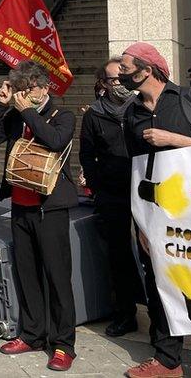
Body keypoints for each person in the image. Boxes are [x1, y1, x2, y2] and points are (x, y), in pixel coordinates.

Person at [118, 43, 191, 378]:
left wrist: (173, 139)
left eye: (125, 67)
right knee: (158, 286)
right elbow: (135, 171)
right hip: (155, 216)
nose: (120, 73)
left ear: (146, 70)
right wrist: (140, 222)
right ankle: (168, 360)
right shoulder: (131, 112)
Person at [0, 60, 77, 372]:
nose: (24, 95)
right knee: (27, 272)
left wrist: (27, 112)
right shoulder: (16, 113)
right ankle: (33, 334)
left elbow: (54, 140)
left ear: (44, 87)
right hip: (21, 205)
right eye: (20, 90)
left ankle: (63, 343)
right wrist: (1, 102)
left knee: (56, 275)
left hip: (49, 206)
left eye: (28, 89)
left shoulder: (62, 114)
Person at [79, 58, 144, 339]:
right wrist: (96, 184)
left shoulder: (142, 108)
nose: (118, 84)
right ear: (102, 83)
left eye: (121, 77)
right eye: (111, 79)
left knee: (150, 254)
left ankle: (160, 316)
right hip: (112, 193)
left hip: (146, 191)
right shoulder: (94, 114)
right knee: (118, 256)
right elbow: (86, 154)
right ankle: (124, 314)